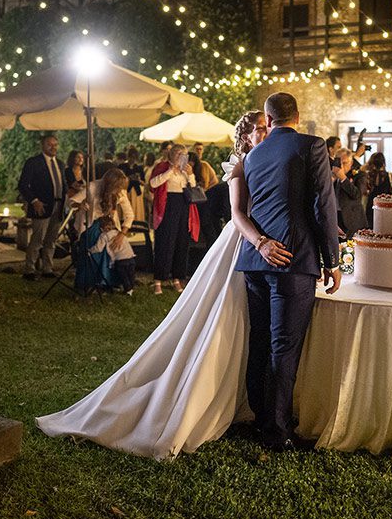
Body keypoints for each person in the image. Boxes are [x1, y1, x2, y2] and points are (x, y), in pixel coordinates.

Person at [36, 111, 271, 459]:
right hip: (241, 240)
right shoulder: (242, 163)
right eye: (260, 130)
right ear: (246, 136)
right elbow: (238, 210)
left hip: (256, 242)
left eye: (267, 129)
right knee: (223, 315)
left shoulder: (265, 159)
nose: (266, 135)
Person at [235, 92, 341, 451]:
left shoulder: (252, 155)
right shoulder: (311, 146)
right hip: (293, 259)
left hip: (255, 260)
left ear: (269, 117)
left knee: (261, 341)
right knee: (284, 347)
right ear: (298, 115)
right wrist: (333, 260)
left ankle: (262, 417)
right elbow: (323, 204)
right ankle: (277, 431)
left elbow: (268, 203)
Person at [68, 167, 137, 294]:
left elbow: (130, 214)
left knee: (114, 244)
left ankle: (108, 282)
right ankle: (88, 283)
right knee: (96, 243)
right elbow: (72, 201)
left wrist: (122, 234)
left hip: (109, 226)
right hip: (89, 225)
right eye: (117, 187)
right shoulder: (93, 187)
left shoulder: (120, 192)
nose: (120, 191)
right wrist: (80, 205)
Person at [149, 143, 196, 295]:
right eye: (178, 153)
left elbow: (193, 189)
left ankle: (177, 278)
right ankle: (158, 280)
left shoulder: (186, 169)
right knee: (165, 242)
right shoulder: (163, 166)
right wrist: (171, 170)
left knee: (181, 242)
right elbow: (153, 183)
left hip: (183, 206)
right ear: (171, 154)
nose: (180, 156)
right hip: (168, 206)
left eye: (183, 154)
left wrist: (190, 174)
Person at [18, 135, 66, 281]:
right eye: (50, 144)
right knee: (37, 239)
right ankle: (29, 269)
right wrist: (34, 201)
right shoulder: (34, 162)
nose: (53, 147)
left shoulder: (60, 164)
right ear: (42, 145)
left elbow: (63, 184)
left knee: (51, 239)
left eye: (55, 144)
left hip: (58, 206)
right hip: (42, 207)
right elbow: (23, 185)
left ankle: (47, 268)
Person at [333, 147, 368, 237]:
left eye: (344, 163)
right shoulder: (332, 175)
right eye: (339, 163)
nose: (341, 166)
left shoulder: (359, 175)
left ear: (351, 162)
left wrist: (343, 178)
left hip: (352, 220)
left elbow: (357, 195)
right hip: (335, 218)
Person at [363, 152, 391, 229]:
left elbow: (365, 190)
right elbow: (389, 191)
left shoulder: (368, 175)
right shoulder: (385, 175)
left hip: (371, 202)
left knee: (370, 225)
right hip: (383, 203)